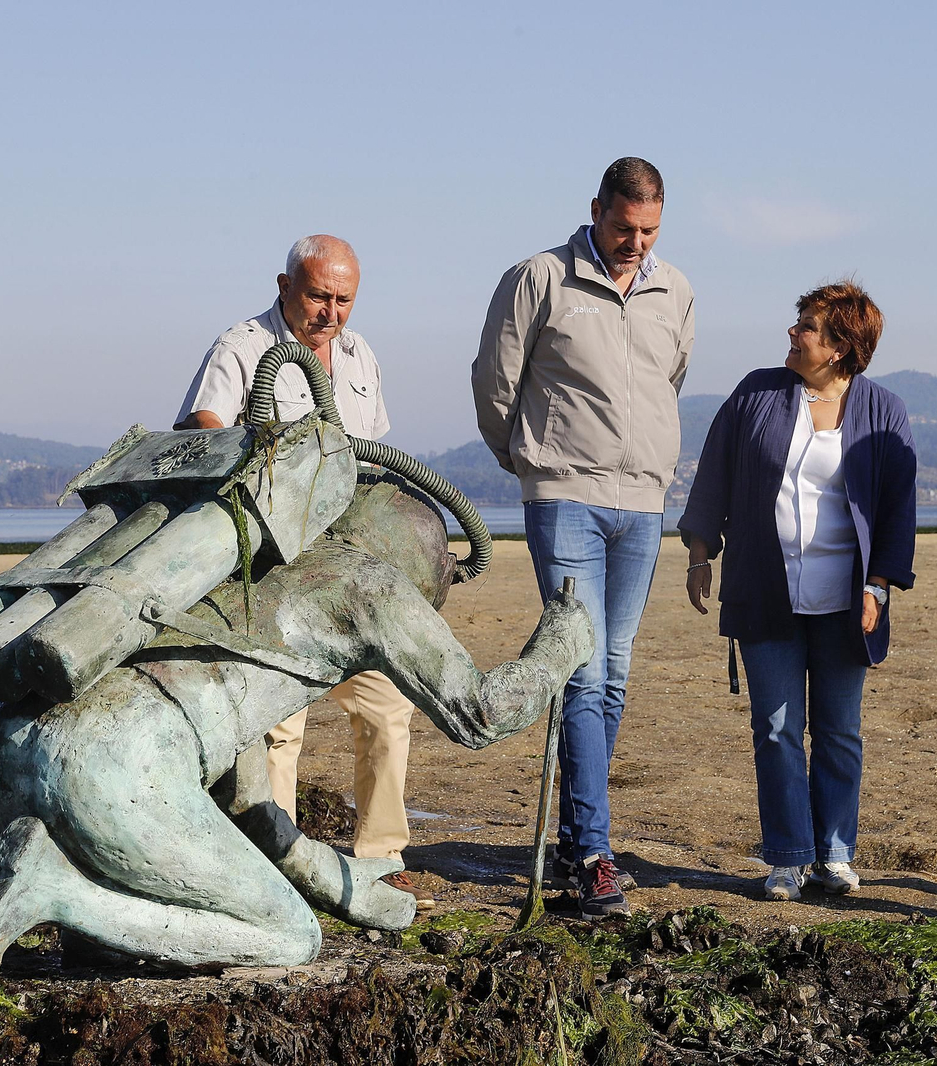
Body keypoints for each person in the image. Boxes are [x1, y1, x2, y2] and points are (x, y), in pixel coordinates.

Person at [174, 234, 433, 909]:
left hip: (351, 565)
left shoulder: (360, 356)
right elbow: (203, 425)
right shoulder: (241, 347)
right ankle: (275, 858)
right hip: (273, 572)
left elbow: (375, 455)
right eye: (318, 296)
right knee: (277, 722)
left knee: (386, 704)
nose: (330, 313)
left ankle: (382, 855)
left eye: (344, 300)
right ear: (285, 286)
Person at [471, 157, 695, 919]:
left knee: (614, 673)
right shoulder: (538, 278)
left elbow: (671, 379)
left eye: (649, 230)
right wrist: (531, 460)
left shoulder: (676, 289)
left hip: (644, 504)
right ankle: (597, 855)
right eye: (625, 227)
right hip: (565, 496)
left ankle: (576, 843)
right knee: (585, 674)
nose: (636, 243)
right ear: (596, 209)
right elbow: (496, 382)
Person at [678, 281, 917, 902]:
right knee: (777, 728)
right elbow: (714, 475)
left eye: (808, 326)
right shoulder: (756, 393)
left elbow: (898, 508)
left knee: (839, 730)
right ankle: (787, 856)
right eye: (799, 321)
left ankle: (834, 855)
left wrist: (879, 587)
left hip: (847, 600)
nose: (793, 332)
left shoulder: (884, 410)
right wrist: (701, 554)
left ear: (839, 347)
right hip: (765, 590)